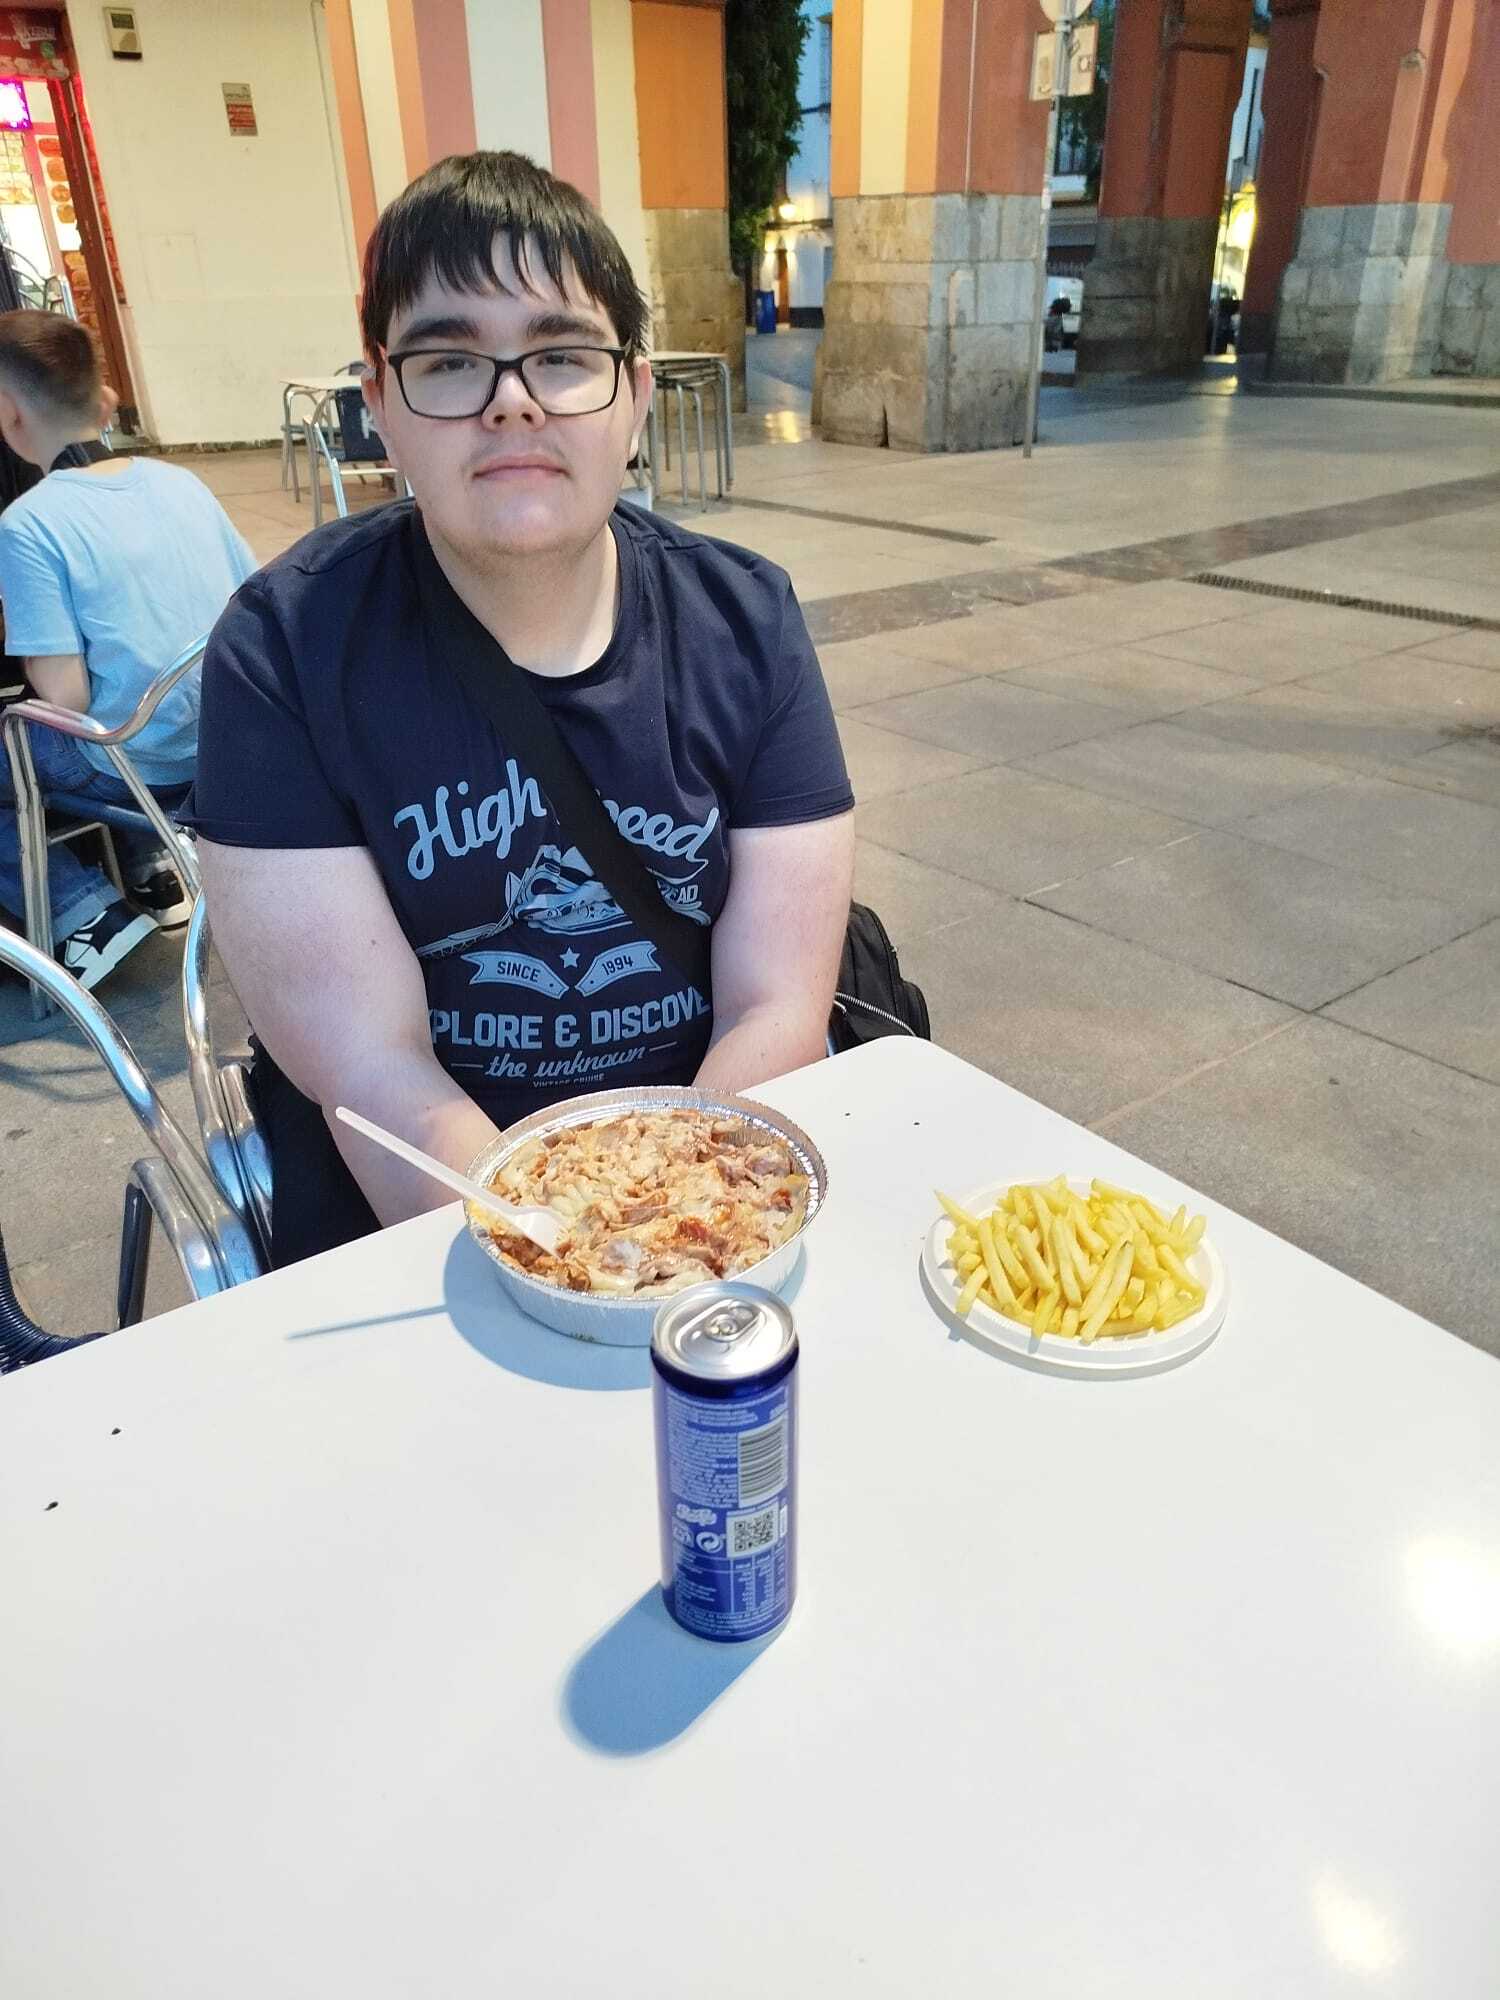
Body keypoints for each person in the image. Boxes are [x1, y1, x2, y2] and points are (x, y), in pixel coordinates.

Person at [189, 150, 854, 1267]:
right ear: (379, 406)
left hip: (715, 1159)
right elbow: (372, 1064)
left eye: (562, 355)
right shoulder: (283, 651)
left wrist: (677, 1242)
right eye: (450, 361)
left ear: (635, 396)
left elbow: (777, 1005)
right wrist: (558, 1253)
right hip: (415, 1209)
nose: (512, 400)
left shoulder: (746, 620)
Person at [0, 312, 256, 987]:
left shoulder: (28, 523)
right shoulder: (181, 482)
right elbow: (256, 606)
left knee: (37, 735)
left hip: (134, 761)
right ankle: (153, 868)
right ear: (105, 399)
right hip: (223, 747)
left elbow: (68, 700)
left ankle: (83, 913)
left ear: (8, 412)